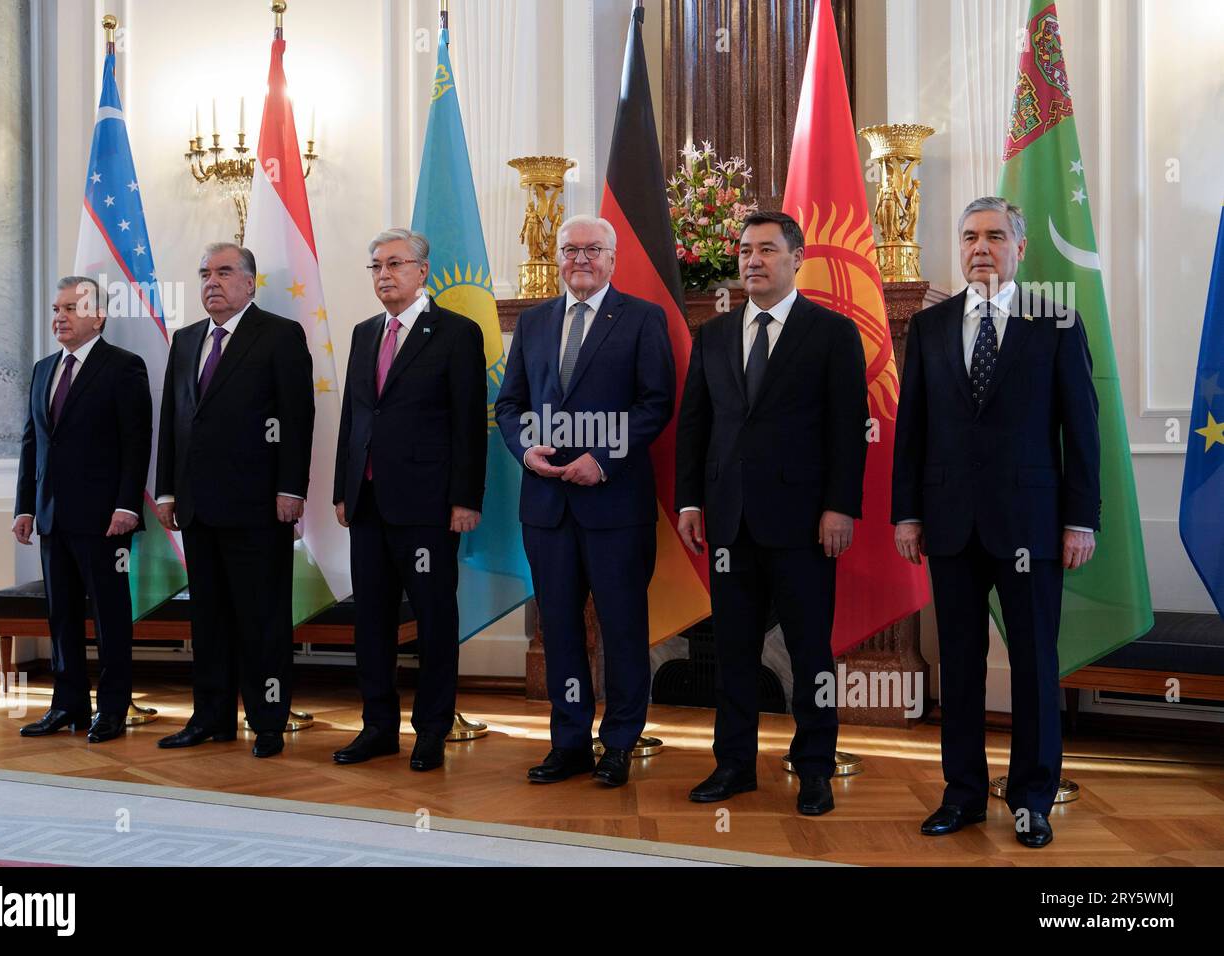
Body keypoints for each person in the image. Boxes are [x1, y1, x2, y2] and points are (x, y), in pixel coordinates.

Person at [892, 196, 1100, 848]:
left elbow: (1082, 433)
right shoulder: (929, 328)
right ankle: (963, 795)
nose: (980, 248)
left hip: (1032, 525)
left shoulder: (1057, 323)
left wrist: (1080, 522)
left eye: (993, 236)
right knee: (959, 664)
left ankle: (1032, 800)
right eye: (969, 236)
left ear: (1020, 248)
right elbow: (913, 431)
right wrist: (907, 513)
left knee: (1035, 665)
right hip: (950, 524)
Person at [675, 210, 868, 815]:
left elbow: (846, 432)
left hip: (806, 523)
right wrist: (689, 501)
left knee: (810, 650)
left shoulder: (832, 334)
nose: (751, 260)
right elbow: (695, 428)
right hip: (729, 521)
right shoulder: (712, 334)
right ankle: (733, 765)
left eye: (765, 249)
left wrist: (840, 508)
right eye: (744, 250)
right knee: (732, 650)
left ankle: (814, 768)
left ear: (795, 258)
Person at [495, 214, 674, 787]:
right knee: (561, 632)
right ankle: (568, 742)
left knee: (623, 630)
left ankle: (619, 742)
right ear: (557, 258)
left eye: (592, 249)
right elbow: (509, 404)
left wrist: (602, 458)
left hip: (615, 505)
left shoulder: (643, 319)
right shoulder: (534, 322)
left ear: (612, 258)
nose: (580, 259)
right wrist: (527, 450)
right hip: (546, 508)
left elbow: (655, 404)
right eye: (569, 250)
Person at [331, 228, 487, 772]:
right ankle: (377, 727)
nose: (383, 274)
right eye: (374, 266)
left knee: (433, 621)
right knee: (371, 621)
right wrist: (341, 489)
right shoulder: (363, 332)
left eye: (394, 264)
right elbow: (353, 418)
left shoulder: (455, 333)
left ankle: (431, 731)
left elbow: (470, 423)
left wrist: (466, 498)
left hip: (428, 506)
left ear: (422, 271)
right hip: (367, 502)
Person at [154, 242, 314, 758]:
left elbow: (296, 417)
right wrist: (166, 490)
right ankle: (211, 718)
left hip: (257, 507)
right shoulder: (185, 341)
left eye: (224, 272)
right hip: (198, 507)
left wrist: (291, 488)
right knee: (209, 619)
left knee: (262, 618)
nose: (212, 282)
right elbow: (173, 422)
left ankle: (268, 721)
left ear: (250, 282)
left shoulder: (279, 335)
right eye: (204, 273)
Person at [14, 276, 151, 743]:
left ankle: (112, 709)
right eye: (56, 308)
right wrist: (25, 508)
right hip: (52, 518)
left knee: (110, 618)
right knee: (63, 617)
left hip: (106, 521)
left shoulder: (123, 367)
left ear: (98, 316)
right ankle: (67, 705)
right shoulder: (43, 369)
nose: (60, 317)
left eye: (71, 308)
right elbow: (32, 446)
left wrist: (127, 506)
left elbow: (137, 446)